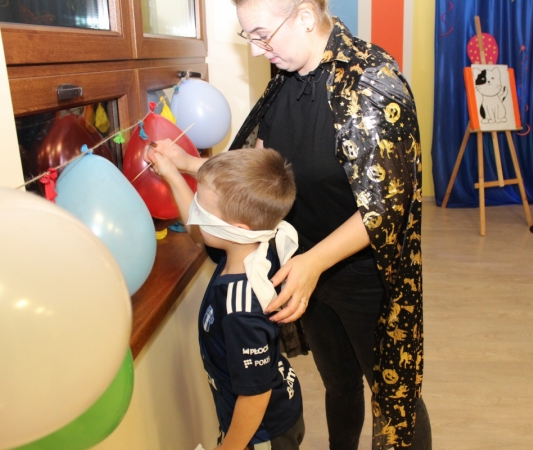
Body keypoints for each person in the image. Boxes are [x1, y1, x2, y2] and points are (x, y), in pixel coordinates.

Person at [151, 0, 431, 448]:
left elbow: (387, 207)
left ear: (304, 17)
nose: (257, 50)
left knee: (395, 399)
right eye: (249, 37)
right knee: (339, 384)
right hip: (304, 269)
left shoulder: (373, 82)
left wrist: (314, 262)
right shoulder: (285, 80)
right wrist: (187, 164)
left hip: (365, 277)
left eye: (262, 35)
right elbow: (259, 170)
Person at [148, 147, 304, 450]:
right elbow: (199, 232)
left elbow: (255, 397)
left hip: (262, 433)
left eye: (202, 208)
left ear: (237, 229)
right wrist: (171, 174)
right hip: (268, 412)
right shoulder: (254, 247)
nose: (195, 212)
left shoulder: (240, 310)